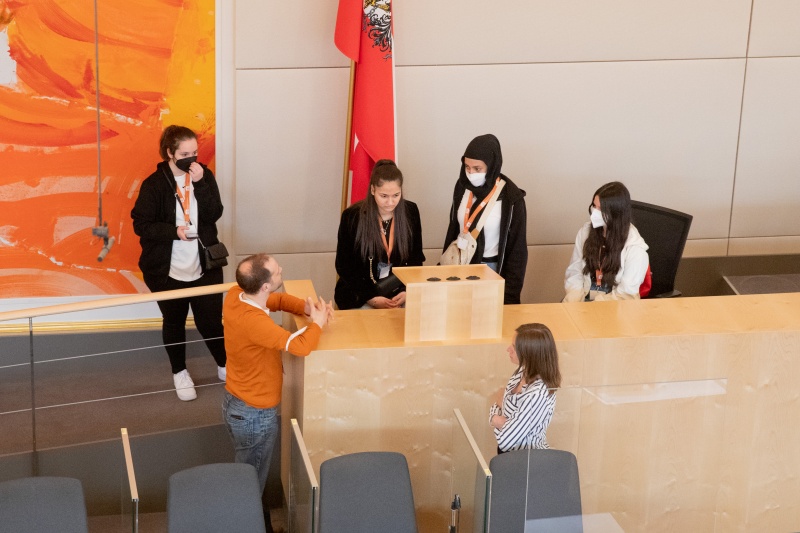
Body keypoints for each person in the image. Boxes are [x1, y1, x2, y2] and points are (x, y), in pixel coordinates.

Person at [222, 253, 333, 531]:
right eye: (276, 271)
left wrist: (307, 310)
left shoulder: (236, 295)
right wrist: (318, 323)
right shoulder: (255, 323)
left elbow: (280, 301)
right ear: (265, 287)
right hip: (255, 416)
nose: (281, 269)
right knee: (250, 485)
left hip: (238, 404)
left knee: (249, 478)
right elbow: (300, 346)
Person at [131, 125, 226, 401]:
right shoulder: (154, 184)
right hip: (165, 267)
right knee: (173, 321)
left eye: (195, 152)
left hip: (204, 262)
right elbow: (142, 224)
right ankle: (179, 372)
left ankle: (224, 364)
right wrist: (175, 232)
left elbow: (214, 213)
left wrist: (200, 185)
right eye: (185, 154)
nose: (191, 158)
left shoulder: (203, 175)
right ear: (170, 153)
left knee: (210, 320)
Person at [442, 134, 528, 304]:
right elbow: (453, 229)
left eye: (477, 168)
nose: (471, 173)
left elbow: (518, 251)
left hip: (491, 270)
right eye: (467, 167)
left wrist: (510, 295)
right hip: (460, 265)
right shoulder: (462, 187)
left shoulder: (511, 197)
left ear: (492, 166)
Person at [334, 159, 425, 309]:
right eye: (384, 196)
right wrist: (371, 298)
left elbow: (416, 260)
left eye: (396, 195)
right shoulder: (352, 217)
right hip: (361, 293)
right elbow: (344, 266)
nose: (390, 202)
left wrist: (407, 290)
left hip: (398, 291)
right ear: (372, 190)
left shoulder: (411, 212)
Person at [563, 181, 649, 302]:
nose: (594, 213)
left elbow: (626, 293)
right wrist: (574, 301)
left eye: (601, 209)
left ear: (616, 213)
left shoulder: (635, 247)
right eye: (594, 206)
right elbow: (574, 272)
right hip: (584, 303)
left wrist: (592, 309)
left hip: (616, 307)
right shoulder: (585, 232)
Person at [489, 323, 561, 453]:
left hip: (527, 463)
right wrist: (505, 420)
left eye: (514, 347)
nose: (508, 349)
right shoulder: (521, 372)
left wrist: (494, 418)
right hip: (509, 458)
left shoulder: (537, 394)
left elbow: (506, 441)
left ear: (529, 354)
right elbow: (499, 399)